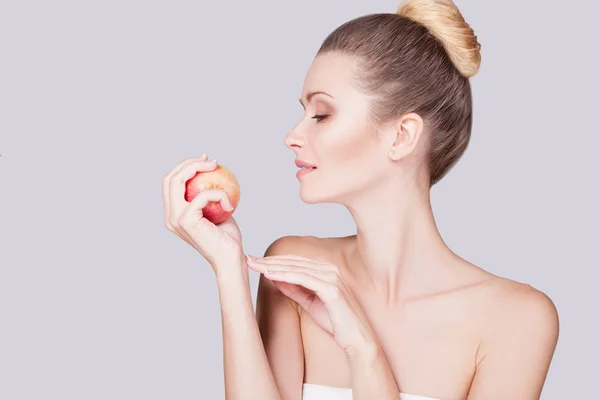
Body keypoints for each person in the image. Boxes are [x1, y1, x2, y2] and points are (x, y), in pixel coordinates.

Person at [161, 0, 559, 398]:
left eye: (321, 114)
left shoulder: (516, 319)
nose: (292, 136)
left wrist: (363, 350)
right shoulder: (293, 274)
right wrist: (229, 272)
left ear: (401, 136)